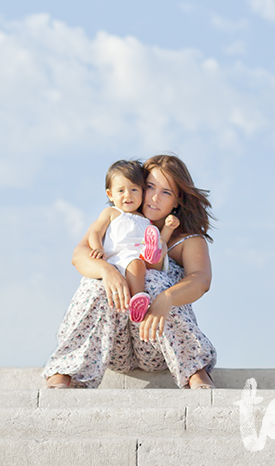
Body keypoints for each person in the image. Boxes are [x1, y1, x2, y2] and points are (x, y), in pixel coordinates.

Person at [43, 154, 217, 389]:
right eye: (149, 187)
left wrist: (167, 299)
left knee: (153, 279)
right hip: (111, 342)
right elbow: (79, 255)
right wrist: (107, 271)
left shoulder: (187, 240)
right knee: (97, 281)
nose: (154, 197)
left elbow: (201, 280)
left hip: (156, 340)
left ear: (177, 200)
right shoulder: (118, 221)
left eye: (166, 192)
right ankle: (66, 371)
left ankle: (194, 370)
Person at [81, 159, 179, 323]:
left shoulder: (145, 220)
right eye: (121, 191)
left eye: (134, 190)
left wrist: (169, 228)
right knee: (136, 264)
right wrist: (98, 247)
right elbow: (96, 232)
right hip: (121, 257)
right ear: (110, 194)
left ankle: (151, 254)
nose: (128, 195)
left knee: (156, 245)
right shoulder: (111, 212)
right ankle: (138, 298)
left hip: (142, 256)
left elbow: (162, 240)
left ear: (141, 192)